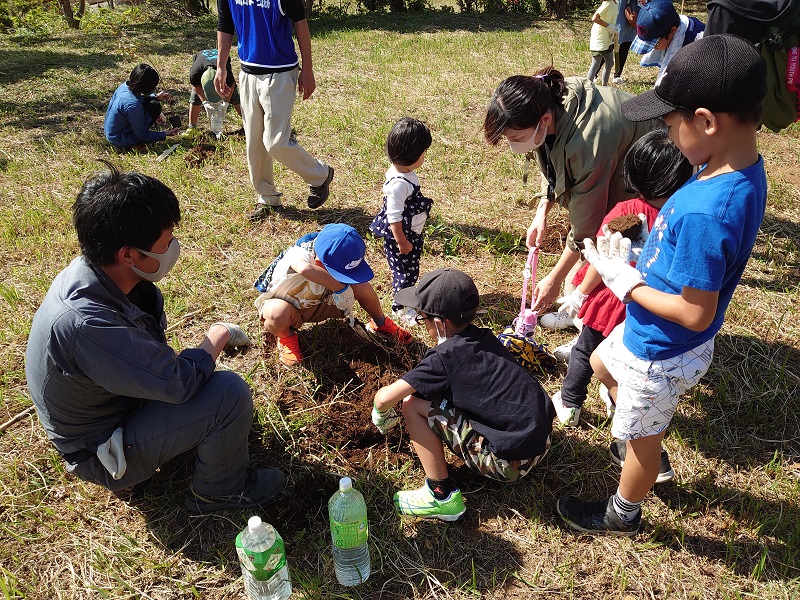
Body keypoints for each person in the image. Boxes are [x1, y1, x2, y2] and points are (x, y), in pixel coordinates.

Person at [556, 35, 767, 535]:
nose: (669, 138)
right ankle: (638, 431)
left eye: (672, 126)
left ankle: (623, 509)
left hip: (663, 346)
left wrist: (625, 283)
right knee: (602, 361)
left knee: (641, 447)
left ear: (708, 121)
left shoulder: (706, 210)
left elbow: (696, 313)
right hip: (651, 335)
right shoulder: (734, 170)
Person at [25, 165, 285, 514]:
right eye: (166, 241)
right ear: (128, 254)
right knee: (227, 395)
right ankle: (220, 491)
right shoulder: (86, 323)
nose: (173, 246)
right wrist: (217, 337)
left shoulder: (107, 277)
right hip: (101, 449)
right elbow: (177, 383)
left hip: (118, 406)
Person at [550, 129, 692, 463]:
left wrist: (581, 294)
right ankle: (617, 400)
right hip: (646, 305)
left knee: (586, 350)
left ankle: (570, 404)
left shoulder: (626, 211)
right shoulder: (678, 217)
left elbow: (602, 259)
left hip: (610, 299)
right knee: (627, 361)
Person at [372, 268, 554, 521]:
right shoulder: (486, 339)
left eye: (421, 318)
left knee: (412, 404)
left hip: (510, 464)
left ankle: (441, 497)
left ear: (438, 323)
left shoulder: (443, 359)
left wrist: (380, 412)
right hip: (541, 441)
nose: (421, 323)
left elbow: (384, 398)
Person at [483, 69, 656, 331]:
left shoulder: (589, 141)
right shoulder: (548, 101)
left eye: (516, 138)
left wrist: (554, 277)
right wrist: (542, 211)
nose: (514, 146)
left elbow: (588, 225)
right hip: (613, 157)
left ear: (545, 118)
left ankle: (588, 317)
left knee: (615, 244)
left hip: (650, 169)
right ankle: (580, 304)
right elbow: (552, 159)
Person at [215, 0, 334, 220]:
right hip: (248, 73)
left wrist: (307, 69)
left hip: (279, 73)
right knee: (254, 143)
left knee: (275, 141)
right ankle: (267, 197)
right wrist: (221, 66)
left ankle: (320, 175)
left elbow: (300, 23)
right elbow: (225, 24)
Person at [254, 223, 413, 367]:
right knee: (276, 314)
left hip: (325, 302)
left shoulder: (339, 256)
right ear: (319, 262)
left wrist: (343, 289)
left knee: (362, 286)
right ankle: (286, 338)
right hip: (293, 309)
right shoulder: (299, 253)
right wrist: (340, 288)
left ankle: (380, 323)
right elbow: (304, 269)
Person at [369, 117, 434, 326]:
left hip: (410, 234)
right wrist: (402, 242)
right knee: (404, 273)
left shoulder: (403, 172)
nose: (425, 156)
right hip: (403, 238)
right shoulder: (398, 184)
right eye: (424, 152)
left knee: (410, 271)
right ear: (413, 155)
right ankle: (401, 307)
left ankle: (407, 298)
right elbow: (393, 217)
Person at [104, 64, 180, 149]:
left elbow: (138, 97)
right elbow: (143, 136)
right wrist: (165, 133)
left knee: (153, 104)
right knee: (154, 107)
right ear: (147, 88)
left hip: (111, 132)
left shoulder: (125, 86)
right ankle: (133, 144)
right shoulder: (133, 106)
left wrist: (156, 96)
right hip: (120, 138)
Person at [630, 0, 705, 83]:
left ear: (673, 30)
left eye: (655, 44)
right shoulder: (673, 27)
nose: (654, 48)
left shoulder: (696, 46)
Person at [184, 49, 243, 136]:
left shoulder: (226, 71)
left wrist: (225, 103)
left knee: (235, 98)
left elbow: (231, 86)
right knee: (195, 98)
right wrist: (204, 102)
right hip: (201, 66)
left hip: (221, 71)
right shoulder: (195, 73)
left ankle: (248, 123)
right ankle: (191, 127)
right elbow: (196, 86)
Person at [587, 0, 619, 86]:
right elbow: (595, 18)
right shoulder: (607, 4)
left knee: (610, 63)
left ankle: (604, 86)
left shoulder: (615, 3)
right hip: (600, 38)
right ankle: (586, 87)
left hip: (607, 39)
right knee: (596, 64)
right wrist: (608, 26)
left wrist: (612, 29)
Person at [612, 0, 640, 84]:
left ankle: (617, 74)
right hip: (619, 13)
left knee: (625, 46)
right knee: (610, 45)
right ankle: (595, 74)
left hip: (633, 11)